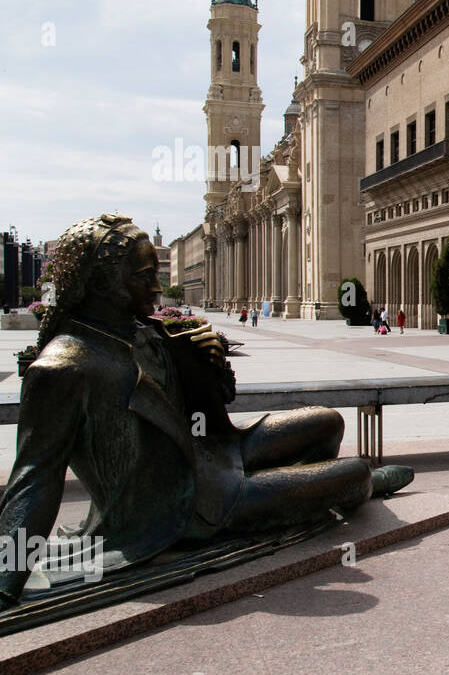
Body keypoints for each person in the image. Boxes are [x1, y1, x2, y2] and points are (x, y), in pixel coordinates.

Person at [0, 214, 412, 606]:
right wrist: (6, 576)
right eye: (146, 278)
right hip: (183, 507)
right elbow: (35, 474)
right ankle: (335, 489)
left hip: (209, 455)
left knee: (327, 422)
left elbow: (201, 410)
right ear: (106, 283)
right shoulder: (64, 366)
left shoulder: (140, 332)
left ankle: (288, 490)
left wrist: (210, 366)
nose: (157, 289)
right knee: (354, 472)